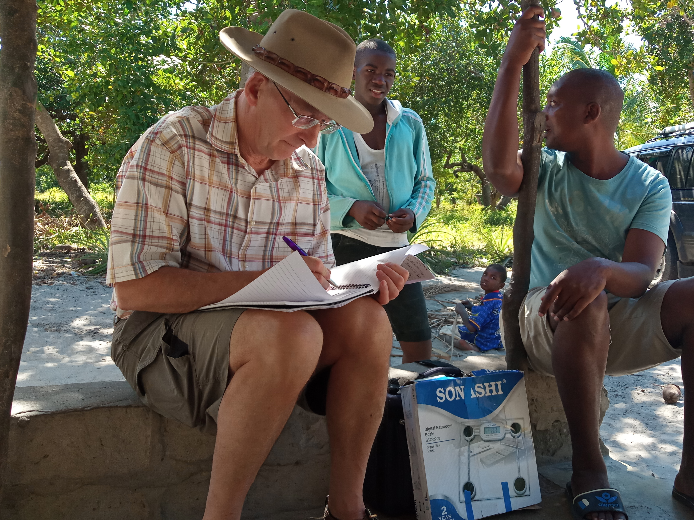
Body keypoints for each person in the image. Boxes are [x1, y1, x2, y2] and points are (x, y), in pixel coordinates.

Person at [106, 10, 409, 520]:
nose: (314, 140)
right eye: (306, 116)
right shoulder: (175, 144)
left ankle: (348, 510)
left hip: (271, 332)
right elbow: (134, 292)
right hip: (159, 340)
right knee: (291, 337)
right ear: (256, 90)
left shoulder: (308, 171)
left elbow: (316, 276)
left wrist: (357, 285)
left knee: (370, 324)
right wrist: (265, 284)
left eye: (325, 122)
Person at [481, 7, 694, 520]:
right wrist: (512, 65)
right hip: (549, 322)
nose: (542, 114)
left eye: (554, 104)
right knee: (582, 301)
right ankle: (589, 469)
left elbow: (642, 272)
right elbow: (499, 171)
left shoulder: (649, 184)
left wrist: (601, 269)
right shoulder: (544, 168)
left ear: (591, 114)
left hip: (615, 317)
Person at [315, 38, 436, 363]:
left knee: (417, 338)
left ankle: (415, 404)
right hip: (346, 245)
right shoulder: (329, 125)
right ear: (353, 73)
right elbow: (310, 186)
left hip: (397, 248)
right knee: (351, 335)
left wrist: (413, 213)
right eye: (370, 70)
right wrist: (350, 208)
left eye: (389, 73)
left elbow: (425, 181)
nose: (380, 79)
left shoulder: (408, 123)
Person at [453, 264, 506, 352]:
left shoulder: (487, 302)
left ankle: (473, 347)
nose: (486, 278)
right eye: (485, 274)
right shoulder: (499, 298)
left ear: (501, 285)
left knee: (447, 332)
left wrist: (462, 311)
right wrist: (471, 307)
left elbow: (472, 328)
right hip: (497, 340)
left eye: (493, 278)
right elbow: (488, 314)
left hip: (483, 340)